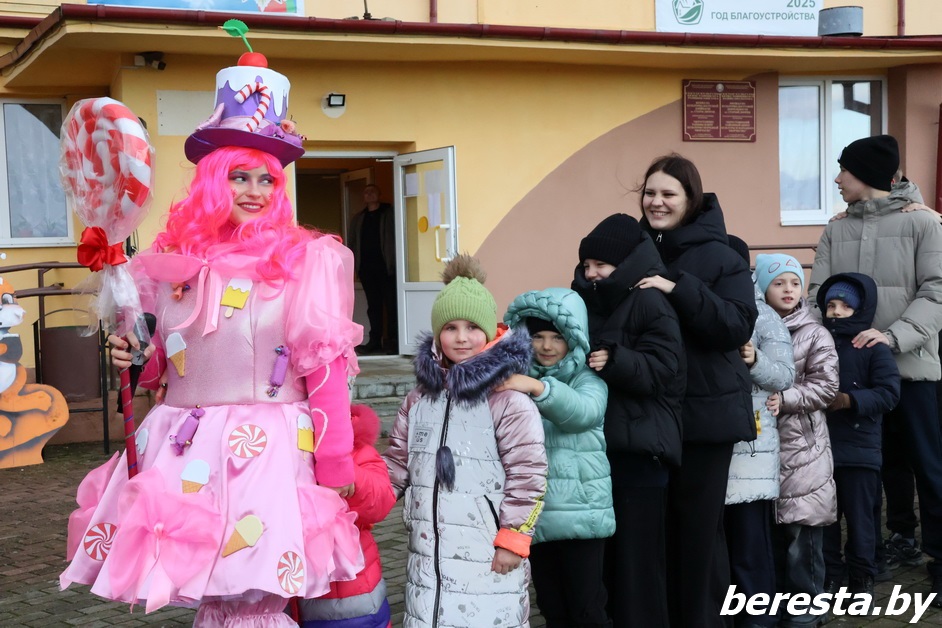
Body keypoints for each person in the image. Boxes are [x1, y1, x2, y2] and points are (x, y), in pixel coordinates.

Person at [60, 57, 365, 626]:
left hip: (269, 450)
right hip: (186, 445)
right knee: (214, 588)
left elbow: (324, 368)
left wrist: (336, 460)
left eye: (265, 179)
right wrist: (132, 357)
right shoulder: (175, 261)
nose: (253, 191)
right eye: (238, 176)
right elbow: (163, 366)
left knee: (258, 591)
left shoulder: (308, 260)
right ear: (212, 180)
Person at [809, 134, 942, 604]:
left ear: (865, 175)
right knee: (870, 467)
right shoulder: (836, 227)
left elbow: (936, 291)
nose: (837, 178)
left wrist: (892, 336)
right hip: (851, 378)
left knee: (929, 468)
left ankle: (939, 562)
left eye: (844, 169)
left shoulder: (925, 224)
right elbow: (816, 295)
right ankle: (882, 547)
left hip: (913, 369)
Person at [383, 254, 547, 628]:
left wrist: (513, 539)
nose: (461, 337)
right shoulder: (419, 399)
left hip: (487, 554)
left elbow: (529, 475)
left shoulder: (509, 401)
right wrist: (367, 500)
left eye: (473, 327)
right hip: (428, 555)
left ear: (490, 332)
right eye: (451, 327)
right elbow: (396, 463)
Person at [636, 154, 757, 627]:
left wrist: (678, 286)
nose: (657, 202)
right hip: (649, 415)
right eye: (650, 192)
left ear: (691, 199)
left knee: (699, 535)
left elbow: (733, 326)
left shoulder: (724, 254)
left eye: (669, 193)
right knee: (657, 534)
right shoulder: (634, 247)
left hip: (704, 418)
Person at [569, 213, 685, 627]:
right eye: (587, 266)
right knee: (608, 562)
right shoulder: (585, 301)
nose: (592, 273)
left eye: (601, 265)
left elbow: (667, 369)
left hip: (641, 450)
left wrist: (617, 360)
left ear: (625, 264)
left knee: (638, 565)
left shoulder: (649, 299)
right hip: (600, 451)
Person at [502, 287, 615, 628]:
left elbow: (583, 412)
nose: (547, 346)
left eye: (557, 337)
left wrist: (539, 389)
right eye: (537, 336)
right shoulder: (518, 377)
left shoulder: (588, 378)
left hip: (583, 515)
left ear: (574, 340)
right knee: (552, 606)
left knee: (587, 608)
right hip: (538, 517)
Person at [756, 253, 838, 628]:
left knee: (802, 538)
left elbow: (826, 386)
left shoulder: (814, 332)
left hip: (804, 450)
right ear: (762, 287)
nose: (788, 289)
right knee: (771, 538)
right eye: (778, 283)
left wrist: (786, 398)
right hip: (764, 447)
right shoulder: (753, 329)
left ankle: (808, 608)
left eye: (794, 282)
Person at [724, 236, 796, 628]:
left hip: (751, 450)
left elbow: (785, 375)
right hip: (711, 448)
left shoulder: (762, 315)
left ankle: (760, 618)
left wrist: (754, 359)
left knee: (752, 544)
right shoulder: (698, 307)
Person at [816, 273, 900, 599]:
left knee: (861, 521)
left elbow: (889, 393)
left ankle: (862, 581)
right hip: (822, 450)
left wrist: (850, 400)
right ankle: (829, 579)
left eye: (845, 306)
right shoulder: (818, 341)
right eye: (831, 305)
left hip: (860, 449)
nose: (836, 311)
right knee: (826, 521)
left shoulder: (872, 348)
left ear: (860, 310)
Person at [295, 404, 397, 628]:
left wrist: (343, 470)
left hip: (346, 598)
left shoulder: (353, 445)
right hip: (278, 598)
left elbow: (381, 500)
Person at [348, 184, 397, 355]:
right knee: (373, 307)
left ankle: (394, 342)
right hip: (367, 270)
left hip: (387, 269)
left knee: (392, 306)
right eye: (366, 192)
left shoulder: (390, 214)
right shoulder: (359, 218)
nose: (369, 194)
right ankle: (374, 341)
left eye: (372, 191)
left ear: (379, 194)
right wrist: (355, 267)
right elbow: (352, 243)